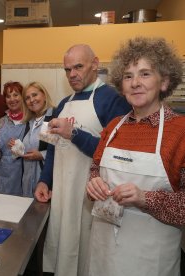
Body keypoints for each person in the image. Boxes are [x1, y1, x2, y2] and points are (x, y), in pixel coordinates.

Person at [85, 37, 184, 276]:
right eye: (128, 76)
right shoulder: (113, 127)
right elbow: (95, 169)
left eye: (145, 74)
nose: (135, 83)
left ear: (165, 82)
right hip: (103, 250)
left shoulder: (180, 131)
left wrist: (144, 198)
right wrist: (94, 184)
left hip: (150, 258)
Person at [34, 44, 131, 275]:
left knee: (87, 253)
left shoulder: (113, 100)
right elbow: (53, 148)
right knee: (62, 246)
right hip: (62, 193)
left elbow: (117, 155)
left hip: (90, 196)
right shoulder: (62, 104)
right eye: (67, 70)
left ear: (95, 64)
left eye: (78, 67)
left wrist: (74, 134)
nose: (72, 75)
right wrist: (44, 181)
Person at [0, 81, 26, 196]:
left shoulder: (30, 119)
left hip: (23, 172)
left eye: (16, 95)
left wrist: (20, 148)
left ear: (22, 97)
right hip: (3, 172)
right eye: (8, 96)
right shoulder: (2, 121)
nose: (12, 99)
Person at [21, 82, 55, 198]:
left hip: (45, 182)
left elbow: (60, 149)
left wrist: (41, 155)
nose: (32, 100)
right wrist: (17, 147)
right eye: (27, 98)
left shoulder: (52, 118)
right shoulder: (29, 122)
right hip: (27, 183)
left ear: (44, 96)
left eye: (35, 95)